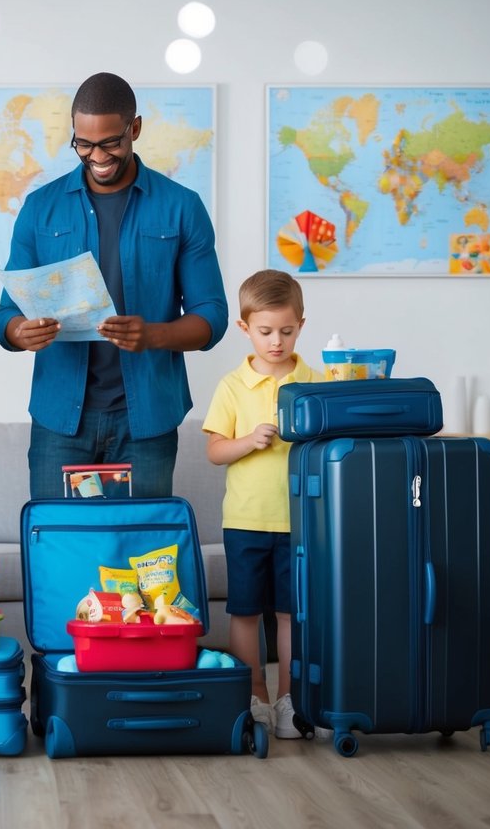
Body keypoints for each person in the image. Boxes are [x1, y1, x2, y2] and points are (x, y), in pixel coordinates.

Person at [0, 72, 228, 498]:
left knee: (140, 556)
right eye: (83, 144)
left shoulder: (182, 207)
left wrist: (154, 334)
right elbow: (6, 314)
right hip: (60, 421)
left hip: (147, 423)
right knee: (59, 553)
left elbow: (213, 316)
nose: (95, 156)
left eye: (110, 143)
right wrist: (18, 331)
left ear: (134, 129)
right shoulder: (39, 208)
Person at [202, 269, 322, 739]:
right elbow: (214, 451)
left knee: (293, 614)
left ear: (301, 326)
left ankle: (292, 700)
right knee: (246, 612)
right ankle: (254, 696)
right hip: (246, 520)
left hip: (303, 523)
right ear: (244, 329)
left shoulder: (317, 382)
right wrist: (249, 441)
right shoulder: (233, 386)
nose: (276, 341)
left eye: (287, 332)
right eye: (266, 331)